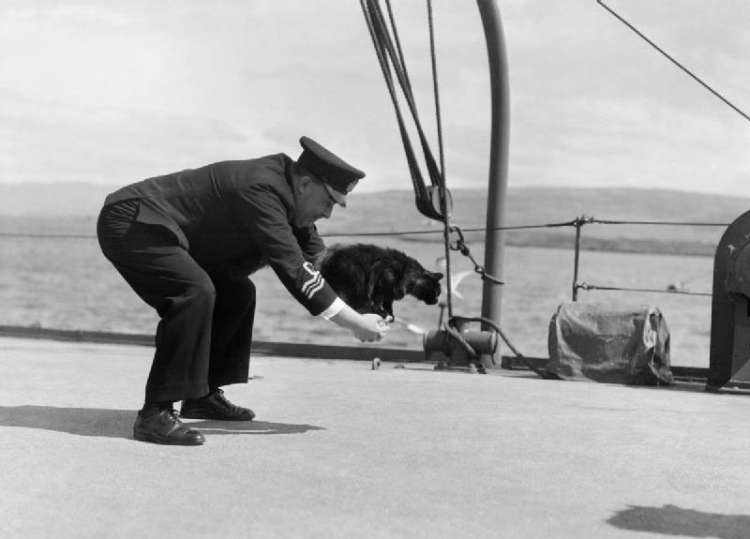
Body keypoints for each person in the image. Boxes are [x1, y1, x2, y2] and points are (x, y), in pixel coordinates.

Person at [97, 136, 390, 446]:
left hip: (162, 229)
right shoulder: (262, 190)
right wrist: (354, 324)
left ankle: (200, 395)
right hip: (133, 221)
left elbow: (321, 264)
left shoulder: (290, 201)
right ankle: (154, 414)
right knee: (194, 292)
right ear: (305, 184)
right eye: (328, 202)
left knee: (237, 293)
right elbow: (294, 269)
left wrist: (365, 310)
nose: (328, 213)